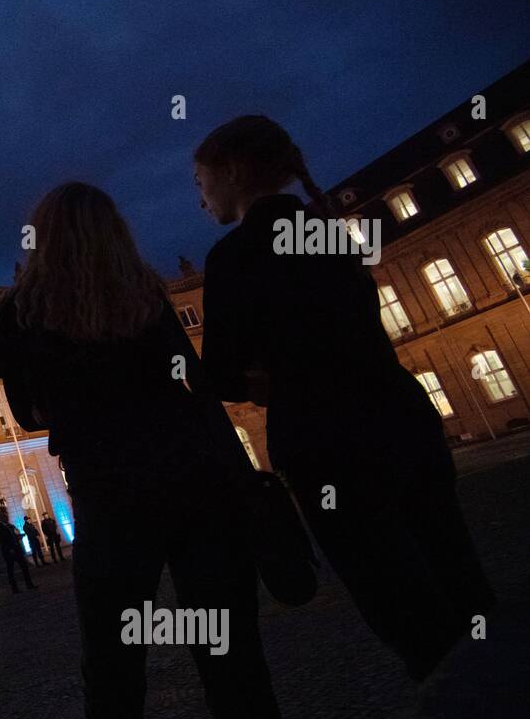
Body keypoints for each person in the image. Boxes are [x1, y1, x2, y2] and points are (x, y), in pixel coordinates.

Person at [0, 181, 302, 719]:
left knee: (111, 673)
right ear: (115, 232)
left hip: (111, 498)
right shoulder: (146, 297)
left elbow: (27, 413)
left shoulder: (18, 311)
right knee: (230, 658)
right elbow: (196, 388)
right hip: (197, 486)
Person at [193, 115, 495, 681]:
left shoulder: (232, 258)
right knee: (460, 578)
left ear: (232, 172)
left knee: (400, 607)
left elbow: (221, 374)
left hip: (324, 444)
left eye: (200, 181)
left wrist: (269, 380)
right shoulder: (328, 229)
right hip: (402, 418)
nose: (200, 197)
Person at [0, 518, 36, 593]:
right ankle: (14, 588)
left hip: (16, 548)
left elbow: (16, 533)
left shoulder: (10, 525)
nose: (6, 516)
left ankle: (29, 584)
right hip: (9, 551)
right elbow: (2, 539)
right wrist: (9, 548)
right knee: (11, 570)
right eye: (4, 514)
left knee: (24, 566)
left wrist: (18, 536)